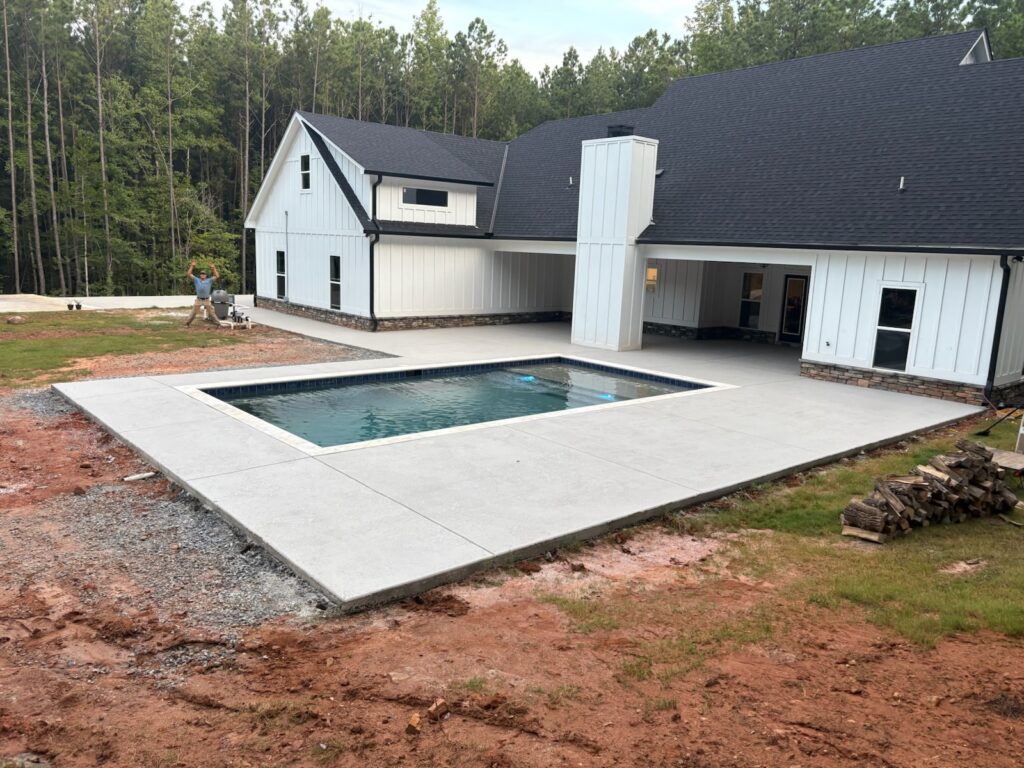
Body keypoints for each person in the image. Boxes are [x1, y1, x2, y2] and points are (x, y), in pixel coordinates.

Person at [185, 260, 222, 327]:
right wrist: (192, 266)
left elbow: (217, 276)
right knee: (193, 313)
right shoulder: (196, 280)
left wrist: (213, 268)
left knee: (211, 313)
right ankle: (187, 324)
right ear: (200, 275)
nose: (203, 275)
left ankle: (218, 324)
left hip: (206, 300)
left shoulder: (209, 280)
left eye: (204, 274)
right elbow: (188, 274)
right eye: (201, 274)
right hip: (198, 299)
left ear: (206, 275)